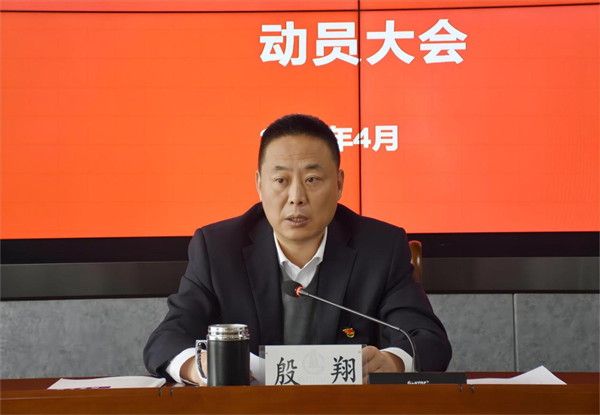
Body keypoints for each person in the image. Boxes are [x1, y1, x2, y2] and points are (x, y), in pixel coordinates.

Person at [144, 114, 451, 385]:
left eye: (312, 179)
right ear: (259, 184)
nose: (296, 197)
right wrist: (199, 367)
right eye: (281, 180)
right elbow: (167, 339)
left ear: (339, 184)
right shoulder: (218, 249)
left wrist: (393, 362)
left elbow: (428, 340)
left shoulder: (380, 248)